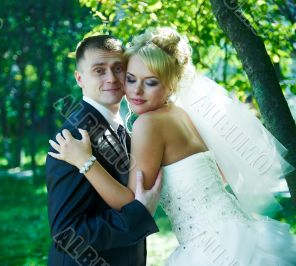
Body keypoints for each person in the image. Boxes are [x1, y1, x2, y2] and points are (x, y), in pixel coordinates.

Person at [48, 27, 296, 265]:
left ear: (170, 84)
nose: (136, 90)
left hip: (211, 247)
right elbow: (218, 175)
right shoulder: (185, 115)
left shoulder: (149, 124)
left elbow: (129, 200)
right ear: (80, 78)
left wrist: (86, 162)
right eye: (132, 79)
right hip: (239, 232)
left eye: (151, 82)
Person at [46, 35, 162, 266]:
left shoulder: (126, 127)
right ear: (80, 78)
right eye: (99, 70)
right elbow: (66, 234)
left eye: (118, 68)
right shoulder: (76, 137)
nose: (111, 78)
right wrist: (136, 216)